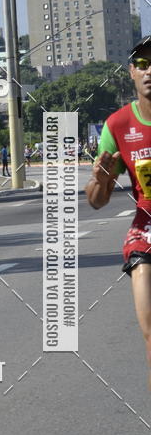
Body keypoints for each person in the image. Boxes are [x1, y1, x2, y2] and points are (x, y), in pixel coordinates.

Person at [86, 36, 151, 391]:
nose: (149, 70)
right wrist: (102, 178)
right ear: (131, 72)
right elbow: (96, 200)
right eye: (142, 63)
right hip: (146, 235)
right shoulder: (117, 125)